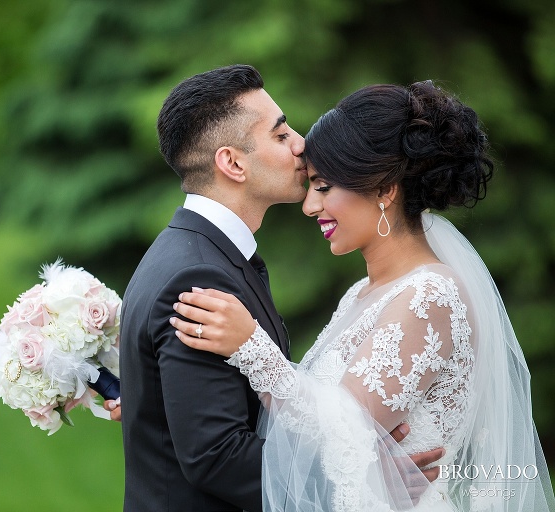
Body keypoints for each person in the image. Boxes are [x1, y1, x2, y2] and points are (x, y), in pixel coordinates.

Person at [171, 81, 555, 511]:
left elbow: (343, 427)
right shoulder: (364, 292)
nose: (309, 207)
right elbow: (322, 415)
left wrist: (252, 347)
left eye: (323, 186)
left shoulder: (430, 296)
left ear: (383, 189)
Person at [115, 65, 443, 512]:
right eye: (280, 133)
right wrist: (362, 481)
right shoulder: (196, 275)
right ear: (232, 163)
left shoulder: (191, 253)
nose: (300, 144)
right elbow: (217, 455)